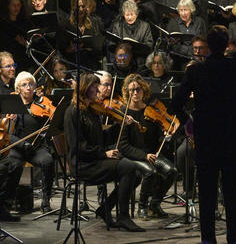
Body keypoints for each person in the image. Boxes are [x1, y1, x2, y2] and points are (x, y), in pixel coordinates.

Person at [169, 0, 236, 244]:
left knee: (207, 195)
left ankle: (208, 240)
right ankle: (234, 239)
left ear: (208, 48)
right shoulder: (233, 65)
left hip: (206, 140)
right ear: (225, 46)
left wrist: (188, 122)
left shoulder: (195, 71)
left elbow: (174, 104)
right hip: (232, 140)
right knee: (233, 194)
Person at [64, 73, 152, 231]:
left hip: (94, 158)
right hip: (82, 164)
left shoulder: (91, 110)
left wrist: (120, 125)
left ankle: (105, 208)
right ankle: (123, 217)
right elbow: (78, 147)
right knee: (129, 168)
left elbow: (102, 138)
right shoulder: (73, 112)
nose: (98, 89)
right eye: (94, 86)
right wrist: (104, 154)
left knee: (136, 175)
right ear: (84, 88)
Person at [117, 74, 178, 220]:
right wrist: (144, 156)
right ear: (127, 92)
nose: (135, 93)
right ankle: (142, 206)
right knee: (150, 172)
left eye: (138, 89)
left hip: (151, 154)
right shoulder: (123, 113)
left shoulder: (150, 111)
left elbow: (158, 138)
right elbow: (123, 146)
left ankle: (155, 204)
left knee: (172, 171)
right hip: (133, 155)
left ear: (144, 91)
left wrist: (165, 136)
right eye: (132, 90)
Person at [8, 71, 56, 212]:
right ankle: (8, 201)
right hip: (18, 145)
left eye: (31, 84)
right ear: (18, 88)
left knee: (48, 161)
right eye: (24, 85)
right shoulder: (11, 103)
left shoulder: (40, 102)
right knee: (12, 164)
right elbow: (6, 132)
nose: (28, 87)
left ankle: (46, 200)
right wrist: (10, 121)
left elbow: (54, 116)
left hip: (36, 147)